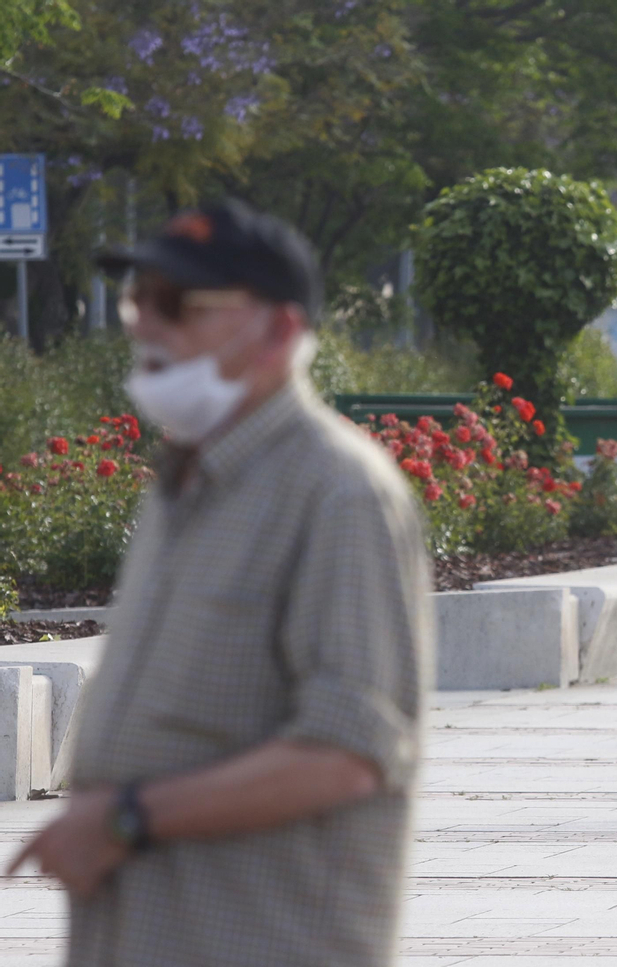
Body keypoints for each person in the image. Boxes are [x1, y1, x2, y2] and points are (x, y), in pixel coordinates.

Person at [6, 200, 433, 966]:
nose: (142, 324)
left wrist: (124, 819)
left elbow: (350, 753)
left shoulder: (337, 492)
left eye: (176, 304)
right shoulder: (190, 477)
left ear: (276, 330)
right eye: (139, 300)